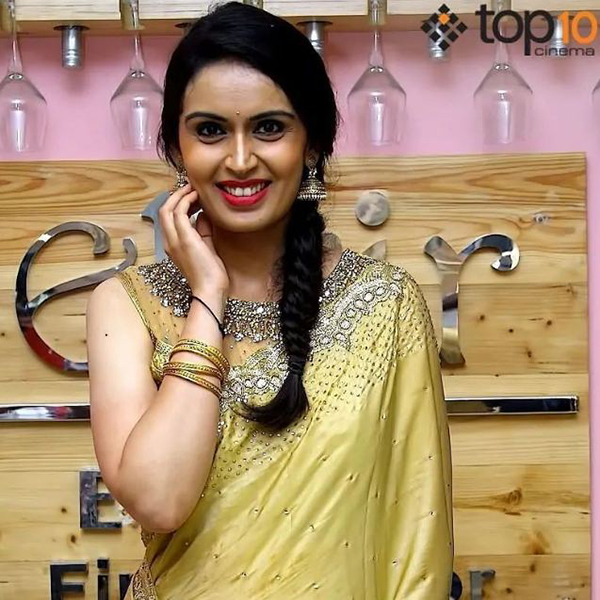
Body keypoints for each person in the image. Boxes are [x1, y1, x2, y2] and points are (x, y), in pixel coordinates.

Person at [85, 2, 454, 598]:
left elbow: (417, 537)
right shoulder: (125, 305)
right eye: (210, 130)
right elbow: (159, 500)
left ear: (313, 144)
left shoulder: (386, 305)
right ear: (176, 149)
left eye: (269, 128)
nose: (239, 160)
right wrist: (207, 295)